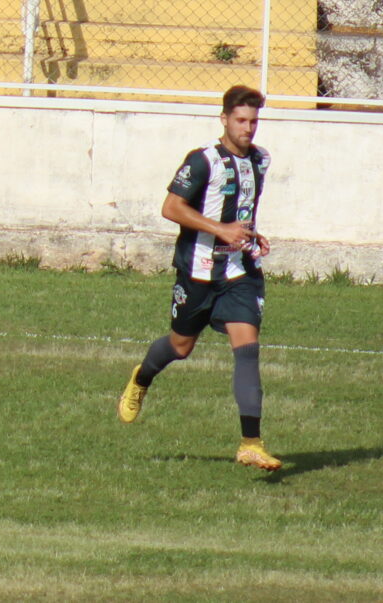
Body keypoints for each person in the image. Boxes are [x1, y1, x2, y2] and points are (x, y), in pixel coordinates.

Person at [116, 86, 281, 473]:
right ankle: (141, 377)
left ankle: (251, 443)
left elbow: (241, 208)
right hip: (198, 272)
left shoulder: (260, 160)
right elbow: (171, 207)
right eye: (241, 120)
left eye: (254, 121)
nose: (248, 129)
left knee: (248, 347)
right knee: (181, 345)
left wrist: (249, 234)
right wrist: (219, 229)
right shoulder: (202, 161)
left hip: (240, 273)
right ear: (224, 119)